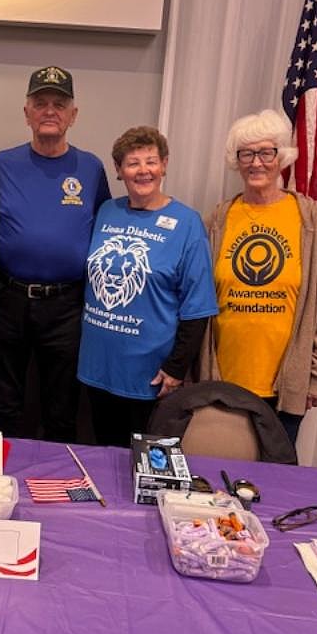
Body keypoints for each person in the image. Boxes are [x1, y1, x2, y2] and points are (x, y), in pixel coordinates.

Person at [198, 109, 317, 444]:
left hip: (284, 387)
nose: (256, 163)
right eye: (246, 153)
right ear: (236, 161)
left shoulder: (313, 221)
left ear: (282, 156)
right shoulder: (218, 220)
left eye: (266, 152)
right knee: (219, 481)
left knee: (270, 486)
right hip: (222, 380)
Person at [0, 66, 110, 442]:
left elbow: (105, 224)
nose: (49, 110)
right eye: (40, 103)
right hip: (9, 299)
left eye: (59, 103)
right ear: (27, 113)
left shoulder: (90, 167)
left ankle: (56, 485)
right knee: (5, 402)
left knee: (62, 405)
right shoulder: (3, 164)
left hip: (67, 304)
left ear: (73, 115)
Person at [77, 126, 217, 447]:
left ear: (164, 164)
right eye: (133, 163)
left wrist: (176, 367)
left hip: (149, 375)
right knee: (100, 453)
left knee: (141, 465)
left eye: (151, 162)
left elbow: (198, 306)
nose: (143, 171)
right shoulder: (106, 211)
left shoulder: (187, 222)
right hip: (97, 365)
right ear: (119, 170)